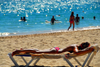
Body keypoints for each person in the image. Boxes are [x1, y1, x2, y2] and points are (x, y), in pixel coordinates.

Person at [12, 42, 91, 56]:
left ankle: (23, 50)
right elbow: (76, 52)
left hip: (57, 49)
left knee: (38, 50)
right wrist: (87, 50)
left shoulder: (75, 45)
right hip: (56, 51)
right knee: (37, 51)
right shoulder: (75, 47)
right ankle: (18, 51)